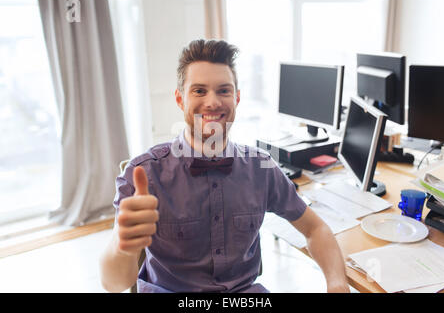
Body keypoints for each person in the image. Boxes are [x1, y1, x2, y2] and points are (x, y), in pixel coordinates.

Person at [99, 39, 350, 293]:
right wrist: (125, 245)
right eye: (199, 91)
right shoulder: (144, 174)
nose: (213, 102)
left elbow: (315, 228)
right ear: (179, 99)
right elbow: (114, 284)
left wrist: (337, 283)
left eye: (223, 91)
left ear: (237, 98)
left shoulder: (261, 168)